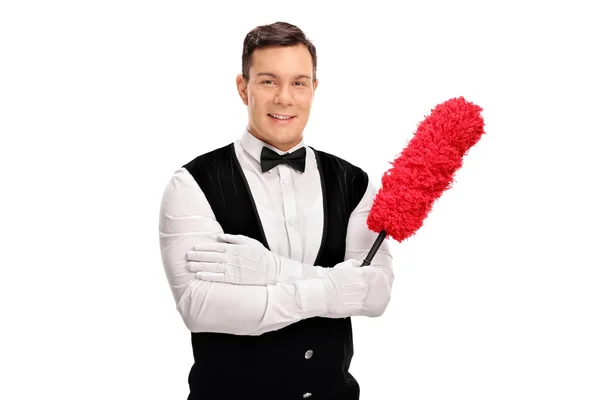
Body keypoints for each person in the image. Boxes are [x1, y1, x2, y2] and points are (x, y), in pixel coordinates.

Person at [158, 21, 394, 400]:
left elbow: (376, 294)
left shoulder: (355, 183)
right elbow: (200, 307)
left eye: (299, 83)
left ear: (314, 89)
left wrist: (271, 272)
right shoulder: (192, 184)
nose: (285, 97)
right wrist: (333, 289)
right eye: (269, 81)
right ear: (243, 87)